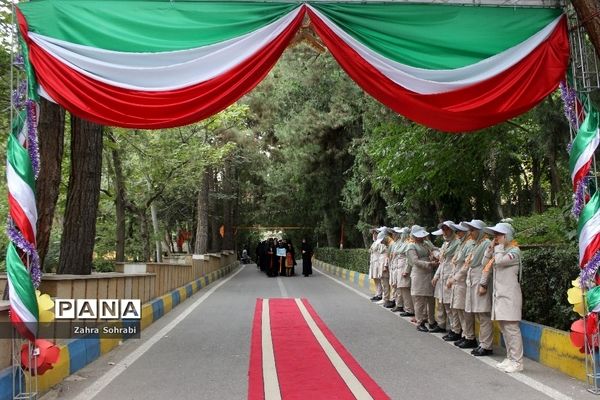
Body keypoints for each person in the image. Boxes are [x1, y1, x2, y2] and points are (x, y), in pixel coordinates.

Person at [481, 222, 524, 373]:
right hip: (500, 295)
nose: (496, 238)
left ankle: (517, 361)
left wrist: (498, 248)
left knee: (512, 328)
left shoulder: (514, 251)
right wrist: (490, 248)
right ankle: (510, 358)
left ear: (506, 236)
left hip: (510, 296)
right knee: (504, 328)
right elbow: (484, 263)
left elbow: (499, 262)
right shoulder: (500, 250)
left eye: (499, 235)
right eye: (495, 235)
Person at [463, 220, 493, 355]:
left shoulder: (486, 244)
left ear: (481, 231)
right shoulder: (477, 244)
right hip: (473, 281)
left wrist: (483, 284)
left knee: (483, 313)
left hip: (480, 282)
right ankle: (482, 343)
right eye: (470, 230)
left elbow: (486, 266)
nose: (470, 233)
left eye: (473, 230)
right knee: (479, 314)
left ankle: (486, 345)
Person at [447, 221, 476, 346]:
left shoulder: (469, 244)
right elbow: (455, 263)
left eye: (459, 231)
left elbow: (466, 264)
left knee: (465, 311)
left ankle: (470, 337)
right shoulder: (461, 244)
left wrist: (455, 278)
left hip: (463, 281)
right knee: (458, 309)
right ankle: (465, 335)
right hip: (457, 281)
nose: (457, 233)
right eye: (456, 231)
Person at [407, 225, 438, 332]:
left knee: (430, 299)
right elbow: (415, 261)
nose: (421, 238)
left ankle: (432, 321)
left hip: (429, 274)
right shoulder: (411, 246)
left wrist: (436, 256)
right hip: (419, 274)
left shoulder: (426, 244)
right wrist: (429, 264)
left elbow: (434, 250)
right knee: (419, 300)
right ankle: (420, 322)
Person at [431, 221, 460, 334]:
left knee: (450, 306)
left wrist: (452, 277)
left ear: (452, 230)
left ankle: (454, 329)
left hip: (450, 277)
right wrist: (436, 276)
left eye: (447, 229)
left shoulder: (457, 243)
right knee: (442, 303)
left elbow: (455, 263)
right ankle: (442, 324)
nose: (445, 232)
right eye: (443, 229)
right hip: (442, 275)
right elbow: (442, 262)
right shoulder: (445, 244)